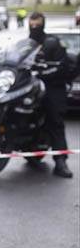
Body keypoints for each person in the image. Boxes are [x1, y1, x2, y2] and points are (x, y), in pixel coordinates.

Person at [28, 12, 75, 178]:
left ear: (43, 25)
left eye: (37, 25)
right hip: (33, 87)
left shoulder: (53, 42)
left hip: (53, 87)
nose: (34, 28)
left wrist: (43, 73)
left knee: (55, 121)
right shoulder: (28, 44)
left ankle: (61, 162)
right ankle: (29, 149)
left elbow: (61, 67)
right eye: (31, 25)